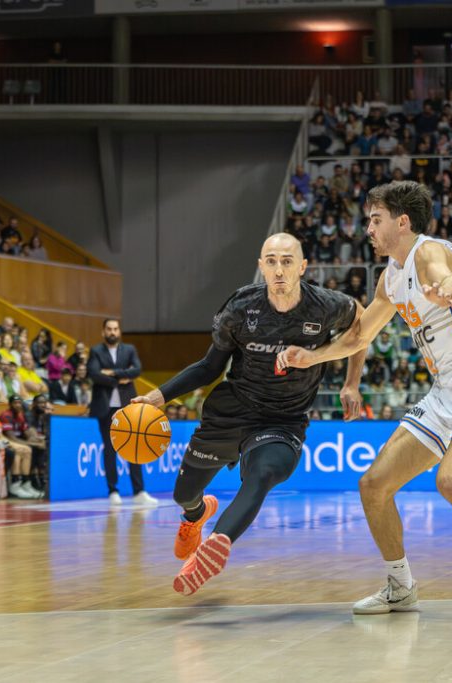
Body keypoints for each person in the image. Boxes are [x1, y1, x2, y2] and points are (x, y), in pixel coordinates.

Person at [277, 181, 452, 613]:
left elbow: (449, 277)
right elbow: (361, 335)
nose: (367, 228)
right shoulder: (390, 280)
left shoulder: (428, 252)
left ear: (402, 222)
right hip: (444, 396)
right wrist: (311, 358)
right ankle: (400, 585)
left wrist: (449, 290)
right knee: (373, 486)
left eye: (375, 219)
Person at [132, 232, 362, 595]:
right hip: (233, 410)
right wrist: (160, 396)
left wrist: (352, 382)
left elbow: (360, 326)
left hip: (284, 419)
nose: (279, 269)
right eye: (271, 261)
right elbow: (210, 367)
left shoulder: (326, 306)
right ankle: (196, 515)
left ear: (302, 267)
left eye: (287, 260)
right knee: (183, 494)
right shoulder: (241, 308)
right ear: (261, 267)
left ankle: (213, 548)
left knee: (262, 474)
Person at [88, 318, 155, 506]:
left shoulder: (129, 350)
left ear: (119, 331)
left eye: (115, 329)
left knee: (134, 448)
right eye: (109, 329)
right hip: (105, 407)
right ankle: (113, 491)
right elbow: (93, 373)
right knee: (109, 450)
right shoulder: (95, 351)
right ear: (103, 332)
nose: (112, 332)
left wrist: (111, 372)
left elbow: (137, 370)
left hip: (127, 407)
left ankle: (139, 491)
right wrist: (120, 377)